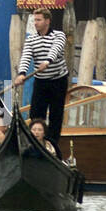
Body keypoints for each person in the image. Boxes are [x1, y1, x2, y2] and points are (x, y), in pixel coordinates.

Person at [13, 9, 69, 150]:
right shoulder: (31, 39)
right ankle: (36, 142)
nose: (35, 23)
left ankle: (52, 144)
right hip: (41, 81)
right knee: (36, 113)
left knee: (56, 114)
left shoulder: (59, 35)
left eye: (38, 20)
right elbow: (26, 56)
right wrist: (21, 73)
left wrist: (47, 61)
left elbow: (55, 49)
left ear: (47, 21)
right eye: (35, 20)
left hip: (58, 80)